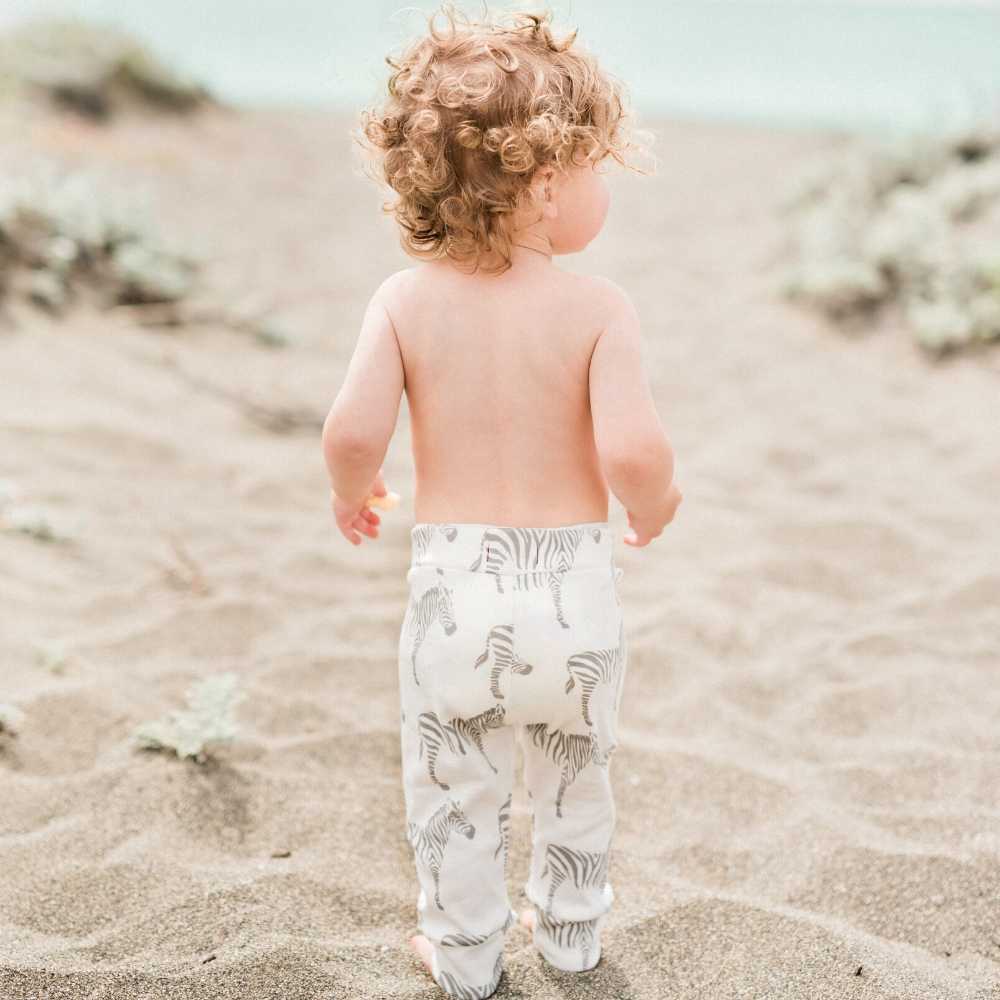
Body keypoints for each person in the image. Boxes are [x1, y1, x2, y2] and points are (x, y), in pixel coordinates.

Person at [321, 4, 681, 997]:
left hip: (454, 594)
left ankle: (466, 953)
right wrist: (654, 505)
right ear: (548, 182)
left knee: (454, 785)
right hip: (572, 592)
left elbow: (351, 433)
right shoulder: (598, 308)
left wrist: (355, 494)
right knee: (575, 775)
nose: (605, 185)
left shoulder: (402, 301)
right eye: (600, 164)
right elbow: (634, 449)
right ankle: (569, 939)